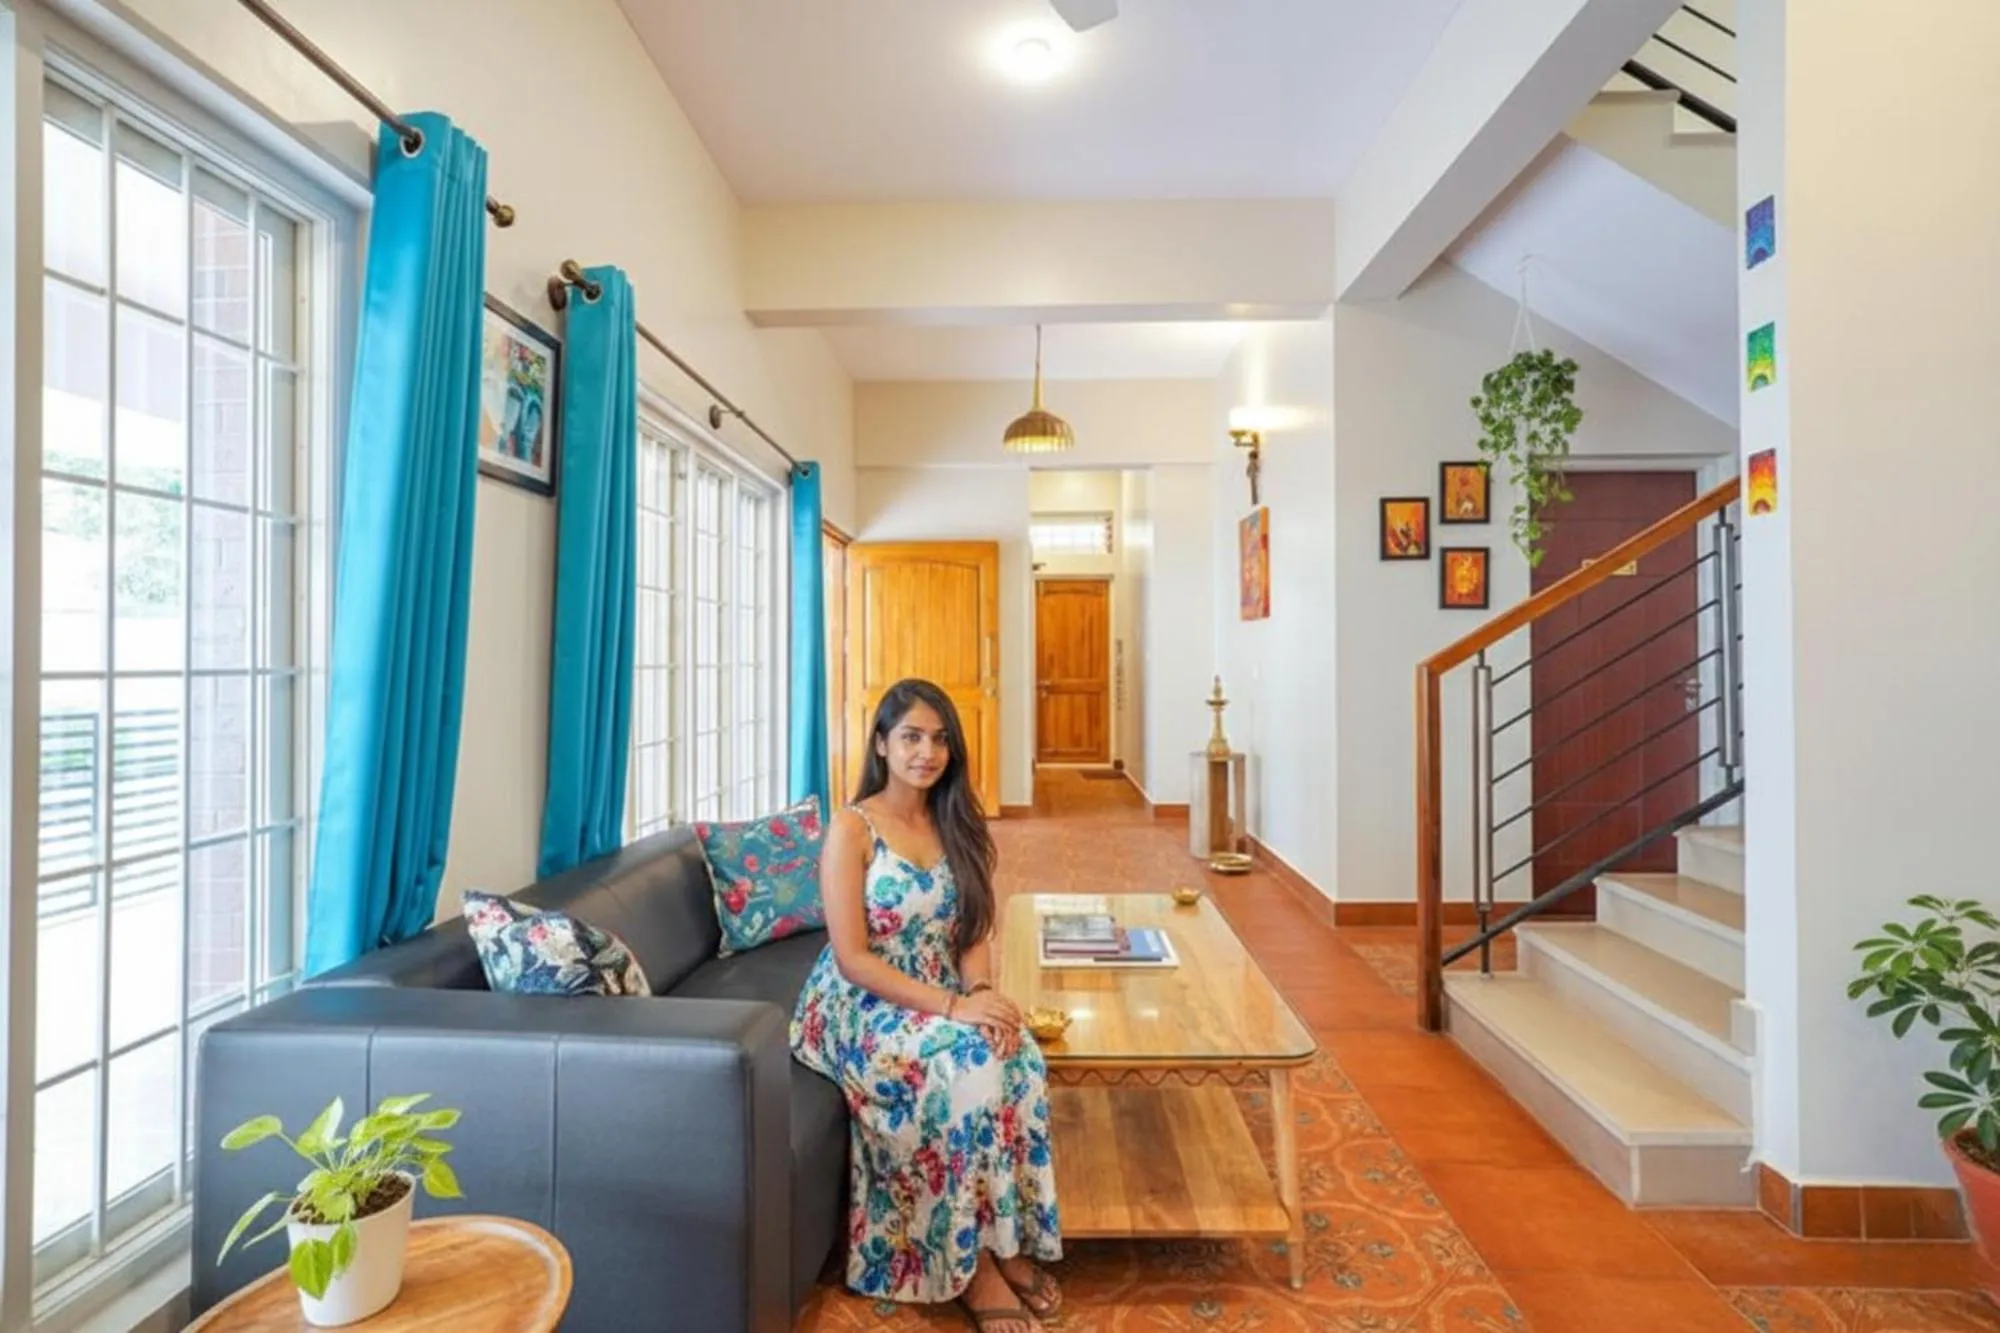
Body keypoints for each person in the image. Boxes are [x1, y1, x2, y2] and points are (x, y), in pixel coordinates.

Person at [791, 678, 1062, 1332]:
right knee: (963, 1066)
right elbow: (853, 957)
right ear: (882, 744)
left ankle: (1004, 1237)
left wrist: (981, 996)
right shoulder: (851, 828)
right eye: (911, 736)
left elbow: (969, 931)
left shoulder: (956, 820)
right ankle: (968, 1267)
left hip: (939, 990)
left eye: (939, 738)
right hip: (857, 1002)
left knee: (1017, 1054)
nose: (927, 751)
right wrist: (950, 1006)